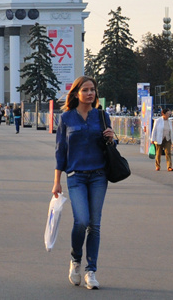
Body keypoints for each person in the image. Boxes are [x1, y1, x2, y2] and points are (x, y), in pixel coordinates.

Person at [52, 76, 115, 290]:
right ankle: (75, 259)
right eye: (86, 90)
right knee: (81, 220)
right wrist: (57, 182)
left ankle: (91, 271)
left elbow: (110, 144)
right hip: (75, 176)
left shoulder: (102, 116)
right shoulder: (67, 118)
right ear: (77, 93)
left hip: (99, 175)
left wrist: (111, 136)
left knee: (94, 225)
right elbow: (60, 151)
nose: (90, 93)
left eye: (93, 90)